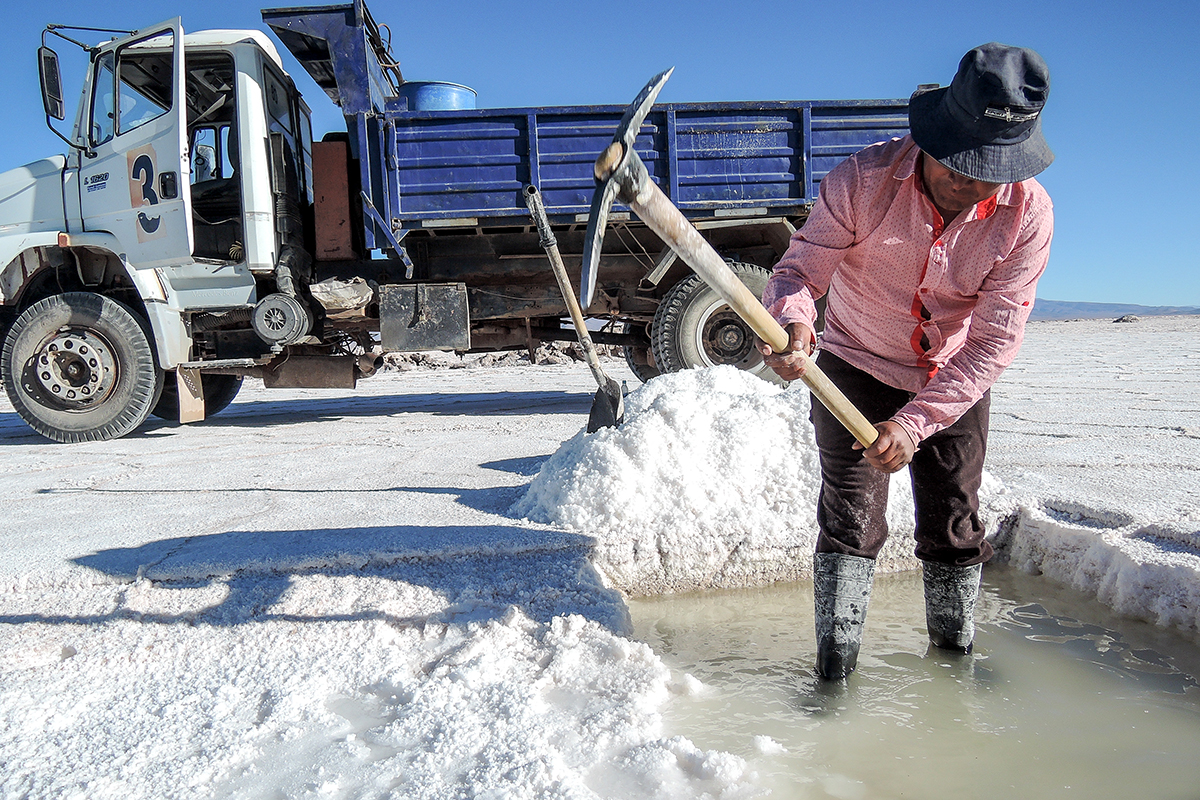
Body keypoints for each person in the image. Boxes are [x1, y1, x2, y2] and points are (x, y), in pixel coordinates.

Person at [758, 43, 1055, 679]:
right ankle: (834, 674)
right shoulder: (861, 181)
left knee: (953, 521)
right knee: (851, 520)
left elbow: (993, 343)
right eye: (959, 164)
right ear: (932, 136)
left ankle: (954, 664)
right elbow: (799, 274)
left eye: (990, 170)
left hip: (951, 377)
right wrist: (794, 330)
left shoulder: (1029, 215)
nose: (973, 184)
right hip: (853, 360)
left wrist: (915, 424)